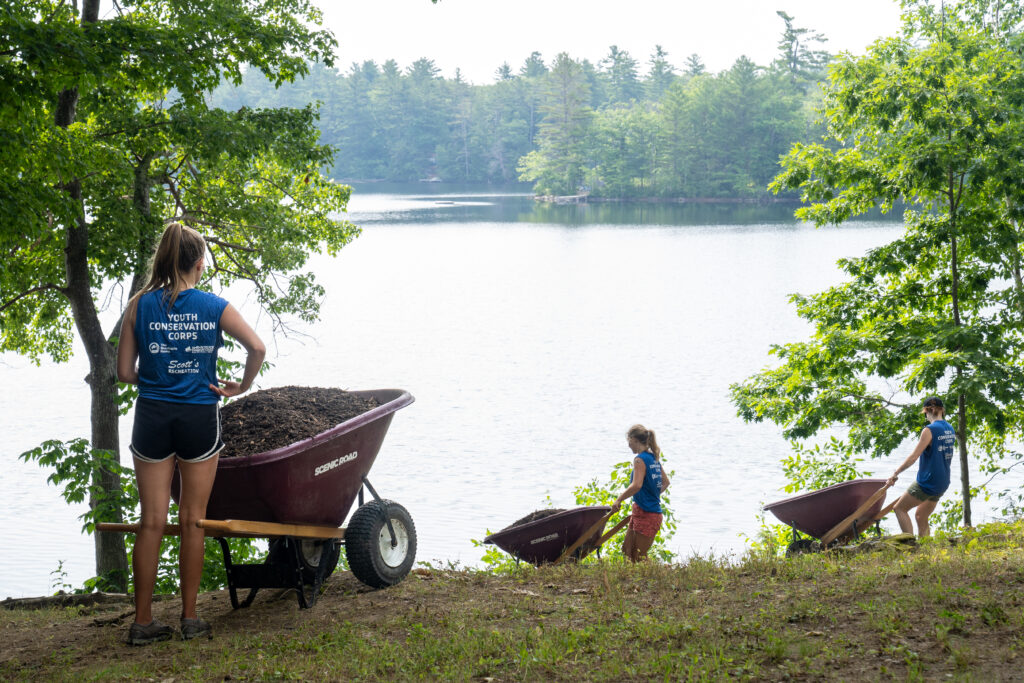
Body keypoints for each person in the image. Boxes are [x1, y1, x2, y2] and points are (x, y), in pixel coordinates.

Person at [116, 222, 265, 645]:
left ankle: (143, 623)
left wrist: (157, 375)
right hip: (199, 414)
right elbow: (257, 348)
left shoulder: (138, 305)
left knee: (150, 521)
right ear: (199, 264)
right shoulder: (214, 305)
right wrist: (242, 385)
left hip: (152, 416)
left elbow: (124, 372)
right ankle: (190, 618)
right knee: (192, 520)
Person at [886, 396, 957, 538]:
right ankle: (926, 547)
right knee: (921, 515)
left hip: (928, 482)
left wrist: (896, 473)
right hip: (943, 481)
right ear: (942, 410)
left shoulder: (930, 430)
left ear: (927, 411)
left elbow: (913, 457)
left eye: (925, 413)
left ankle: (909, 545)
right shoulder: (949, 428)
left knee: (899, 509)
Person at [611, 424, 671, 562]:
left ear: (634, 439)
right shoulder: (653, 457)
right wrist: (651, 495)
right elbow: (666, 482)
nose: (628, 445)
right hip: (641, 511)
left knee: (639, 556)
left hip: (649, 513)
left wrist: (619, 499)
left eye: (629, 441)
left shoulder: (640, 459)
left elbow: (636, 485)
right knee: (627, 550)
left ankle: (659, 575)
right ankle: (634, 576)